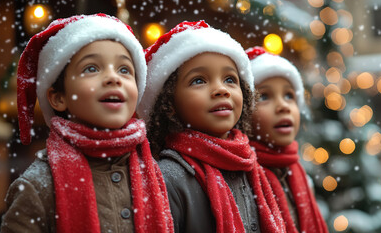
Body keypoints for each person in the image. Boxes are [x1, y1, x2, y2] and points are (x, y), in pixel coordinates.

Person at [1, 13, 173, 233]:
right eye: (91, 68)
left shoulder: (157, 174)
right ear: (58, 98)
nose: (113, 78)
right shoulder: (38, 187)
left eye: (124, 69)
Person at [138, 20, 287, 233]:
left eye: (229, 79)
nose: (221, 90)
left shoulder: (253, 168)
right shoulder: (168, 177)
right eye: (199, 80)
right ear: (169, 103)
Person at [246, 46, 328, 233]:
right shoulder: (241, 179)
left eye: (289, 95)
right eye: (264, 96)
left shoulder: (299, 176)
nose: (283, 106)